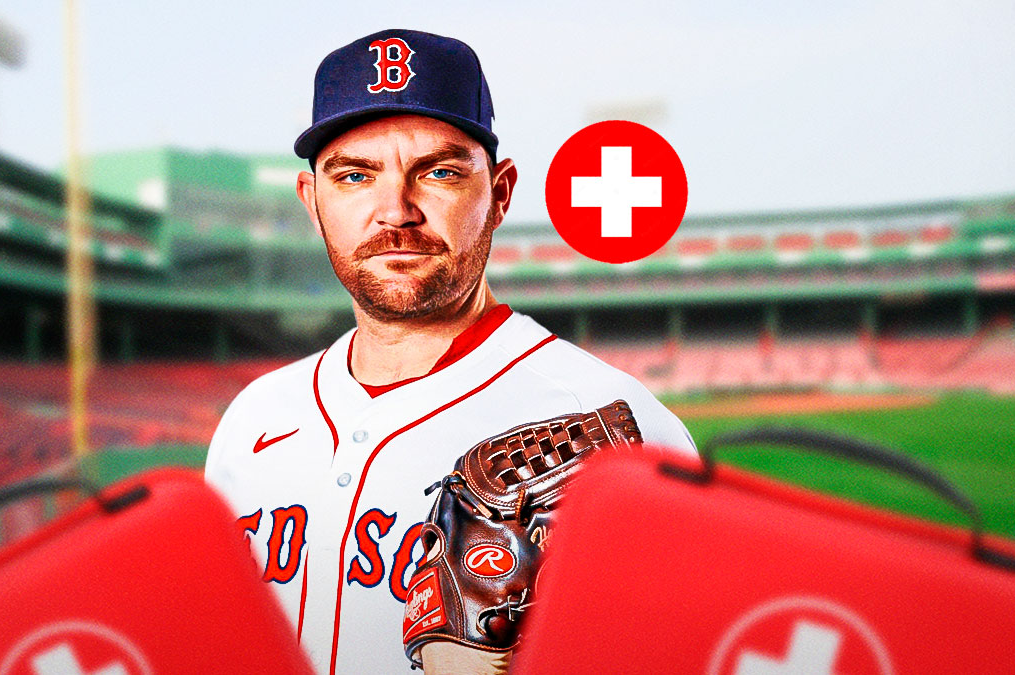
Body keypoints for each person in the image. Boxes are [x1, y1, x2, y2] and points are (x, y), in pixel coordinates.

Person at [204, 28, 696, 675]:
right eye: (355, 175)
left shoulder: (618, 421)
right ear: (313, 202)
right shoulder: (253, 416)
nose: (396, 211)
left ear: (500, 192)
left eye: (438, 171)